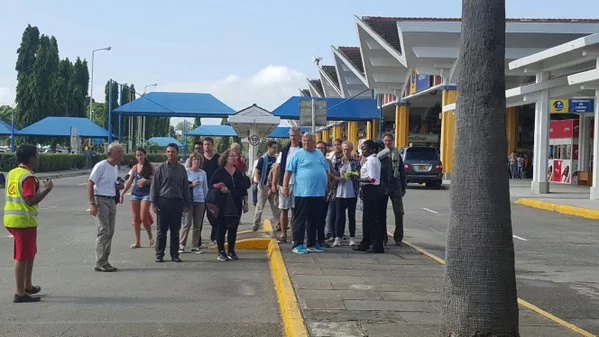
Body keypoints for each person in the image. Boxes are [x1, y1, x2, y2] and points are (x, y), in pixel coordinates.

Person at [4, 145, 53, 303]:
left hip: (13, 218)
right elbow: (29, 200)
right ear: (31, 158)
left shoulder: (13, 173)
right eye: (37, 155)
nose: (38, 158)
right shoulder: (28, 177)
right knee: (22, 256)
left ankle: (28, 285)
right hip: (23, 221)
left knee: (29, 253)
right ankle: (20, 292)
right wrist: (47, 190)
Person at [282, 133, 329, 254]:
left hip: (318, 193)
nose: (306, 142)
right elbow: (288, 172)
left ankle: (312, 244)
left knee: (314, 219)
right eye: (304, 140)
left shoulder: (319, 154)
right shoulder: (297, 154)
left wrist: (329, 186)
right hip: (303, 193)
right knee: (300, 219)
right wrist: (285, 187)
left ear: (314, 142)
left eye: (309, 140)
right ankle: (297, 244)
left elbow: (326, 171)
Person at [88, 142, 125, 272]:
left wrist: (119, 186)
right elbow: (91, 183)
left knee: (111, 231)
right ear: (111, 153)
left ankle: (105, 260)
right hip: (101, 199)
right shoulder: (101, 166)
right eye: (119, 152)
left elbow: (112, 184)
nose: (122, 154)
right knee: (104, 231)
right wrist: (92, 204)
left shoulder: (115, 167)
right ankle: (99, 262)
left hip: (111, 200)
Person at [151, 143, 191, 263]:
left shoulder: (182, 169)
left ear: (177, 153)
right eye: (168, 151)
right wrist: (154, 203)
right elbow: (154, 186)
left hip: (177, 203)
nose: (170, 154)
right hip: (163, 202)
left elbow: (185, 187)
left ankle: (175, 255)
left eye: (173, 152)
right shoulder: (160, 168)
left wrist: (186, 203)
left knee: (175, 231)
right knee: (161, 231)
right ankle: (159, 255)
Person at [208, 150, 249, 261]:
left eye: (236, 156)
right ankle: (221, 251)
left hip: (236, 203)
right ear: (226, 158)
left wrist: (246, 202)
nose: (235, 158)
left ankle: (231, 250)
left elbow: (243, 188)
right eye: (232, 156)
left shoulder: (239, 172)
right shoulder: (219, 172)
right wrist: (221, 187)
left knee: (233, 227)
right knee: (221, 227)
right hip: (222, 203)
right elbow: (211, 185)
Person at [354, 140, 386, 253]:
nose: (362, 151)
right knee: (367, 219)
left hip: (371, 190)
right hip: (369, 191)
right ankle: (366, 242)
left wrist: (358, 179)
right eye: (361, 148)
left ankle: (376, 244)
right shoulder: (371, 160)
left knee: (372, 219)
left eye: (365, 149)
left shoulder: (372, 160)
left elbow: (372, 179)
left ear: (372, 149)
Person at [272, 127, 302, 243]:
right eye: (291, 136)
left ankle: (295, 235)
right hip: (285, 184)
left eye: (295, 135)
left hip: (299, 184)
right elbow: (277, 168)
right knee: (283, 209)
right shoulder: (284, 151)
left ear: (299, 136)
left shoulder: (303, 149)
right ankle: (284, 234)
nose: (293, 138)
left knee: (296, 210)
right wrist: (274, 184)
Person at [121, 148, 154, 248]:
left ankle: (150, 237)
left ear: (145, 155)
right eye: (138, 155)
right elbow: (130, 181)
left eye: (141, 154)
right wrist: (122, 193)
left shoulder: (151, 167)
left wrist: (147, 181)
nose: (139, 157)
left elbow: (156, 181)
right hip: (135, 193)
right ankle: (137, 241)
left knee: (143, 217)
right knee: (135, 218)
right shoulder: (135, 167)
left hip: (146, 194)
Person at [333, 141, 361, 247]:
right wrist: (340, 178)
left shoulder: (355, 162)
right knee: (339, 216)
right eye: (344, 149)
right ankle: (338, 237)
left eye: (348, 149)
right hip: (340, 192)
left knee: (352, 215)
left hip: (351, 192)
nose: (346, 151)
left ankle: (352, 237)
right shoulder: (338, 162)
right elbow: (333, 175)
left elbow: (359, 175)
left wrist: (353, 175)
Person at [381, 134, 407, 245]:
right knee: (382, 213)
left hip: (396, 186)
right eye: (386, 141)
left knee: (399, 213)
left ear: (393, 141)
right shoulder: (381, 155)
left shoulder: (397, 154)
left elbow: (402, 171)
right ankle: (383, 237)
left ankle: (398, 237)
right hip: (384, 186)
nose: (387, 143)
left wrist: (403, 186)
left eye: (389, 141)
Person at [179, 153, 208, 253]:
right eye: (195, 159)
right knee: (187, 223)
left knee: (197, 224)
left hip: (200, 200)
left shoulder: (203, 173)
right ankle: (182, 244)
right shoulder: (186, 172)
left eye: (199, 160)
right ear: (191, 161)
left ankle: (195, 245)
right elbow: (181, 186)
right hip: (189, 200)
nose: (196, 162)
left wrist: (206, 200)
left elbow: (205, 188)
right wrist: (192, 185)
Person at [252, 141, 280, 232]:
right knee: (260, 207)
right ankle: (255, 225)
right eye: (273, 147)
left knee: (275, 206)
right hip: (264, 186)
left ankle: (278, 224)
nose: (275, 149)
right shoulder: (263, 159)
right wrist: (259, 183)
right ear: (268, 147)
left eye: (276, 148)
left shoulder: (276, 159)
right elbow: (257, 171)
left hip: (274, 186)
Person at [316, 140, 338, 248]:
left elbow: (333, 175)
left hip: (324, 193)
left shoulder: (328, 162)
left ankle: (321, 239)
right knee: (311, 218)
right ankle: (311, 239)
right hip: (312, 193)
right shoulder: (312, 160)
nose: (320, 150)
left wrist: (332, 188)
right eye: (318, 148)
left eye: (322, 148)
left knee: (322, 217)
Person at [201, 137, 220, 244]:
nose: (207, 146)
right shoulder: (200, 159)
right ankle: (197, 241)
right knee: (198, 218)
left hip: (214, 192)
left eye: (208, 144)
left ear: (212, 145)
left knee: (213, 216)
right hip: (200, 192)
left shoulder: (219, 159)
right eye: (205, 144)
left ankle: (215, 237)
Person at [325, 138, 344, 241]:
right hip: (332, 185)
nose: (337, 146)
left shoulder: (347, 157)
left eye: (338, 144)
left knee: (339, 212)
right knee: (331, 211)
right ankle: (330, 232)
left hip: (342, 185)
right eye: (334, 145)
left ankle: (338, 232)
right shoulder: (330, 157)